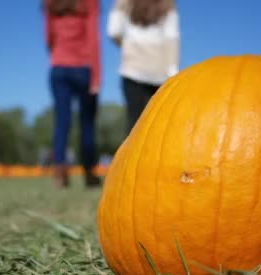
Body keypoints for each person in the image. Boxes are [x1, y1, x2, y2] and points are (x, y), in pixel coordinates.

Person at [43, 0, 102, 188]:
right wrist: (96, 76)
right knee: (87, 124)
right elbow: (93, 37)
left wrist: (59, 54)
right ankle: (89, 173)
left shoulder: (50, 3)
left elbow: (48, 38)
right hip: (83, 68)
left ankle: (60, 174)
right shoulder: (89, 2)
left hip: (58, 67)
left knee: (61, 122)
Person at [107, 0, 180, 133]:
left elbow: (113, 31)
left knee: (134, 125)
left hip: (132, 70)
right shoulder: (168, 4)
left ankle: (130, 154)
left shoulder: (126, 2)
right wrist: (173, 71)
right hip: (159, 73)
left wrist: (126, 46)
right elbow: (172, 39)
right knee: (157, 126)